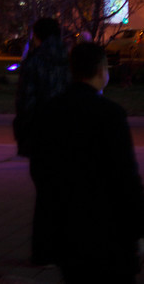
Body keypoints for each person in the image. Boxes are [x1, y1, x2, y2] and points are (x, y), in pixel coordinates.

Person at [31, 41, 144, 284]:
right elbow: (125, 175)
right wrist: (137, 226)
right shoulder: (110, 114)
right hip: (109, 234)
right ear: (102, 69)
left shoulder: (52, 110)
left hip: (67, 232)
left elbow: (42, 168)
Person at [13, 16, 70, 265]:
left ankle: (43, 252)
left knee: (45, 196)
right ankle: (64, 248)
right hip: (69, 137)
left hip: (41, 137)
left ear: (37, 36)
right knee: (64, 194)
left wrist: (23, 133)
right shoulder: (70, 61)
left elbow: (26, 103)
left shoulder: (34, 62)